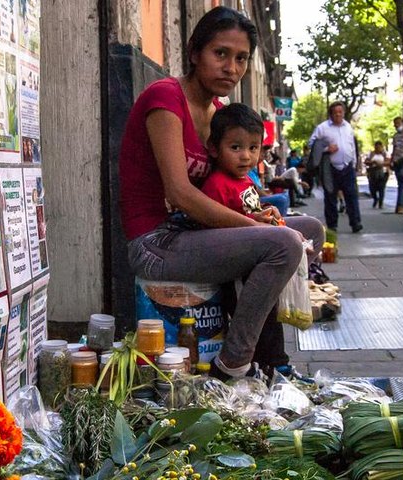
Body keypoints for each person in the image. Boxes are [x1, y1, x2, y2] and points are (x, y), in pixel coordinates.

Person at [119, 6, 325, 380]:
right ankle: (232, 362)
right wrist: (256, 228)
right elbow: (180, 194)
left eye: (241, 58)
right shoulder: (165, 99)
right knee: (282, 244)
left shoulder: (219, 112)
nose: (232, 68)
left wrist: (256, 216)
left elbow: (225, 189)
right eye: (220, 54)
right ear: (194, 53)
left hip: (194, 233)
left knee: (309, 229)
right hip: (156, 243)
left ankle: (270, 356)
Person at [308, 101, 363, 233]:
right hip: (330, 168)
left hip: (347, 167)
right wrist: (326, 149)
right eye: (335, 112)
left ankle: (355, 222)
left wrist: (354, 163)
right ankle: (332, 225)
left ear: (343, 113)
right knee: (330, 196)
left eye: (340, 112)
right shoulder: (323, 128)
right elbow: (312, 143)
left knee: (351, 196)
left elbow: (352, 146)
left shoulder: (348, 127)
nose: (338, 114)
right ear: (331, 114)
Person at [390, 116, 403, 214]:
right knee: (400, 184)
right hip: (397, 161)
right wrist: (392, 160)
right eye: (395, 124)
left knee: (402, 183)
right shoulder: (395, 136)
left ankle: (400, 206)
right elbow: (394, 149)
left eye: (398, 123)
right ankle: (399, 206)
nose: (396, 125)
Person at [365, 141, 389, 209]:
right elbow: (366, 161)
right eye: (376, 147)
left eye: (379, 147)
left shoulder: (385, 154)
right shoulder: (371, 154)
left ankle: (381, 203)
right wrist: (372, 162)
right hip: (373, 173)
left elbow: (389, 162)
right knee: (372, 189)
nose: (378, 149)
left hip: (382, 173)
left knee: (381, 188)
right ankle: (375, 199)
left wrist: (381, 163)